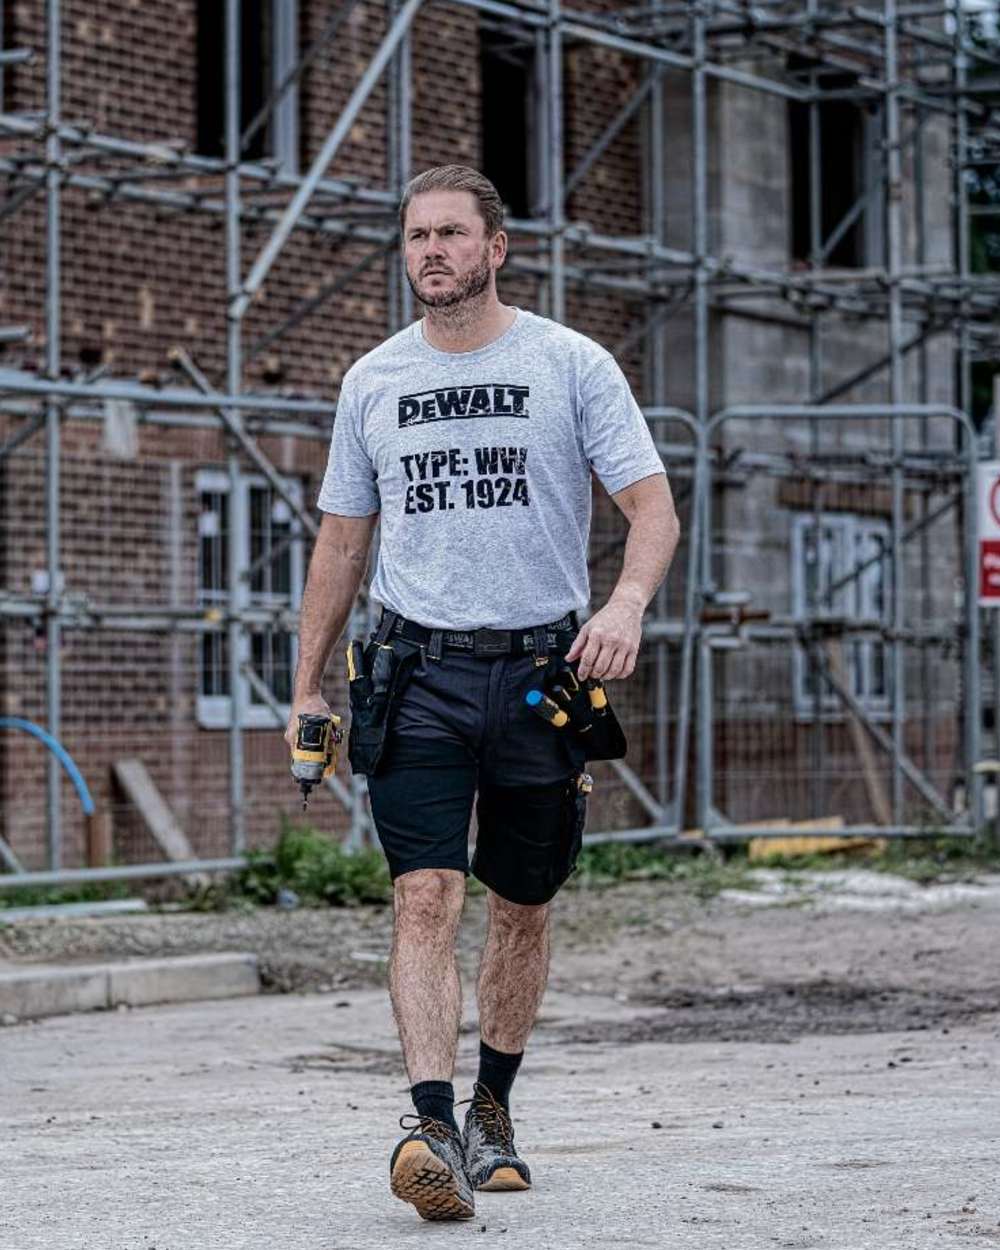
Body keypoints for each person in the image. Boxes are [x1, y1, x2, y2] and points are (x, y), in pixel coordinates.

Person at [285, 165, 680, 1222]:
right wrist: (308, 680)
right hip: (416, 672)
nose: (431, 252)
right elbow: (340, 538)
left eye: (451, 234)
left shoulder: (568, 363)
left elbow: (651, 507)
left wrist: (626, 605)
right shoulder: (373, 379)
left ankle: (490, 1106)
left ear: (496, 247)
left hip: (540, 676)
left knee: (521, 902)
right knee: (425, 891)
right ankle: (428, 1127)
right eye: (416, 236)